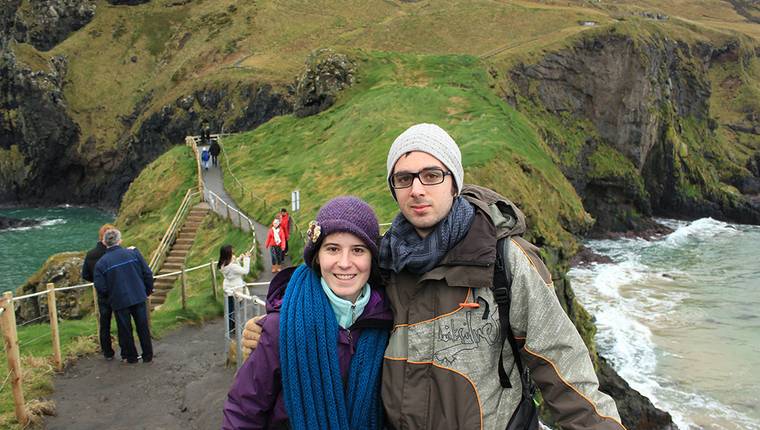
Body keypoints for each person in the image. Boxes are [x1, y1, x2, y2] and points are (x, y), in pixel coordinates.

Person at [244, 124, 625, 429]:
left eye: (431, 175)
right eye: (404, 178)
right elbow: (341, 326)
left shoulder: (502, 259)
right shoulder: (385, 264)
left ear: (454, 182)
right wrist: (275, 333)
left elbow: (565, 370)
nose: (417, 189)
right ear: (394, 189)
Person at [223, 196, 392, 429]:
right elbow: (243, 413)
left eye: (358, 250)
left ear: (372, 258)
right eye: (332, 249)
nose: (344, 262)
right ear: (316, 256)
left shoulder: (390, 322)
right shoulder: (279, 327)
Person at [93, 228, 154, 364]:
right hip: (138, 295)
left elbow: (100, 287)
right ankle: (148, 356)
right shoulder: (133, 254)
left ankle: (131, 357)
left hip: (119, 300)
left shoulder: (101, 263)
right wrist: (147, 291)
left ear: (104, 243)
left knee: (125, 330)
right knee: (143, 326)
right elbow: (147, 273)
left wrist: (111, 297)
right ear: (120, 240)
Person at [81, 223, 117, 360]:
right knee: (122, 320)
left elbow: (85, 275)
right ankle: (127, 350)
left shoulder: (91, 254)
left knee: (104, 323)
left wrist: (97, 281)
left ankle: (107, 352)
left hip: (102, 293)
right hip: (116, 290)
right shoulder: (114, 252)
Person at [218, 245, 250, 335]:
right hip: (237, 289)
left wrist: (239, 259)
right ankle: (236, 329)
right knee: (236, 310)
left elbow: (233, 267)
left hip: (228, 288)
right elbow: (245, 271)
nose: (234, 254)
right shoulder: (232, 266)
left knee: (230, 310)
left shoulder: (223, 264)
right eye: (232, 253)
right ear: (228, 255)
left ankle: (230, 327)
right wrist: (246, 259)